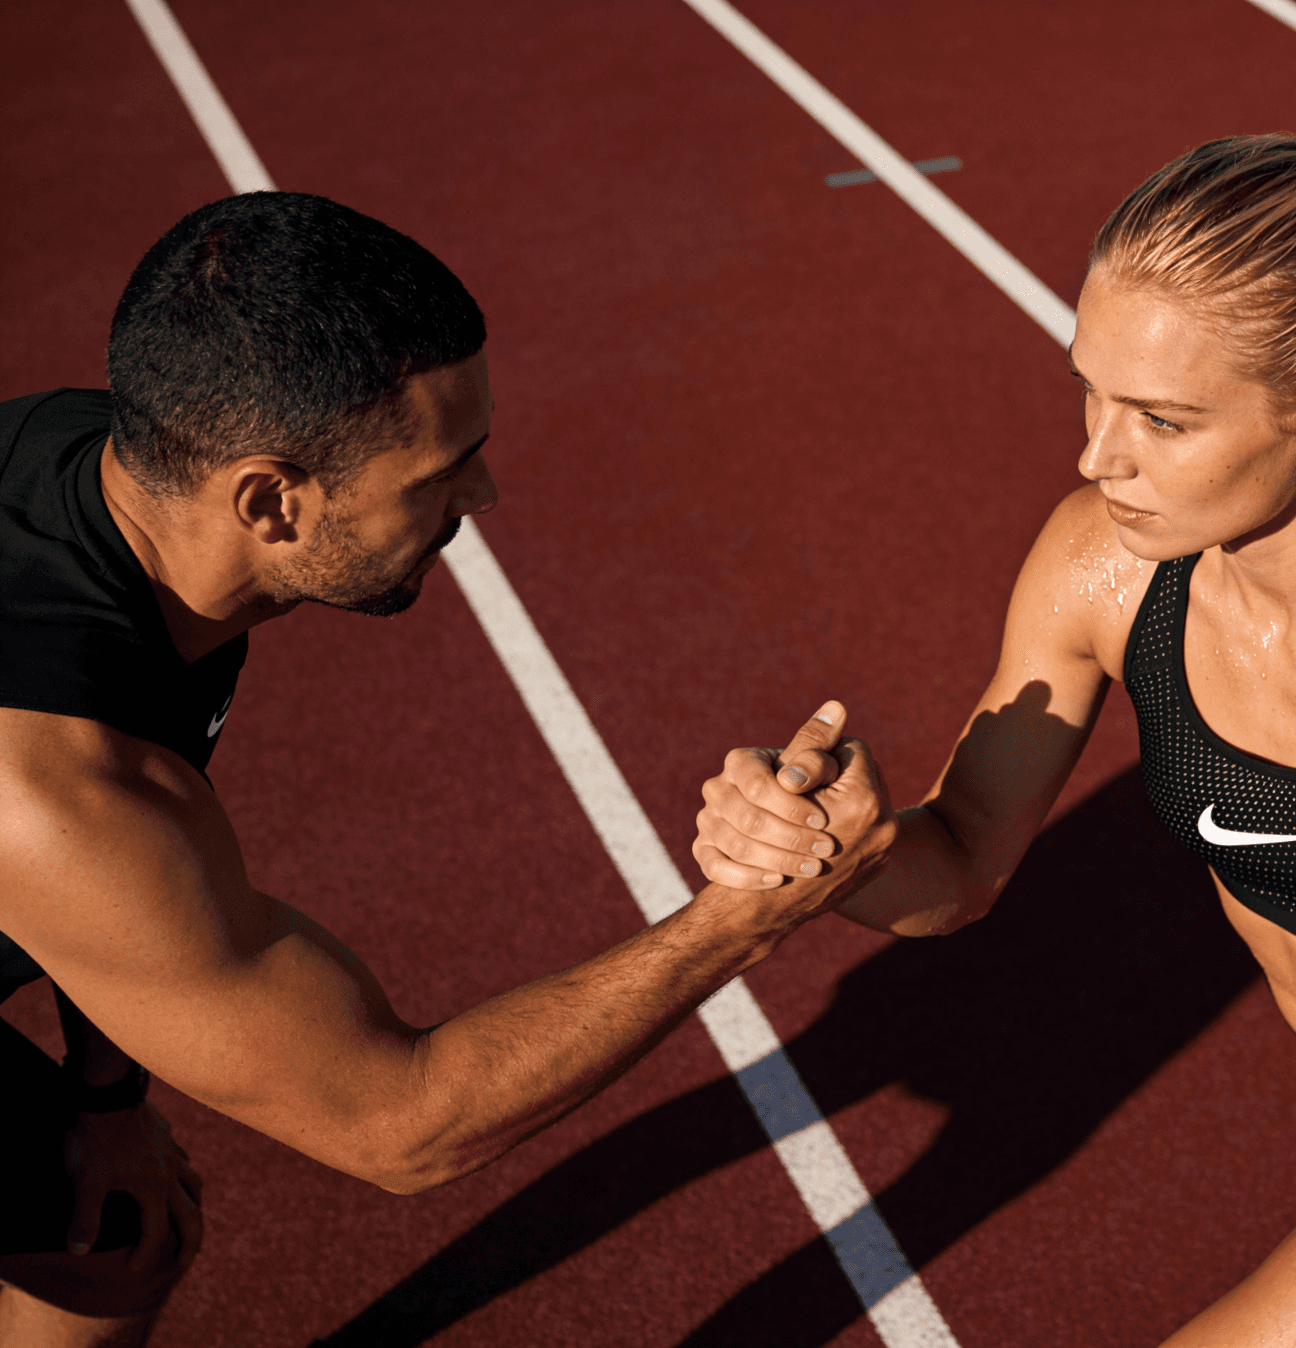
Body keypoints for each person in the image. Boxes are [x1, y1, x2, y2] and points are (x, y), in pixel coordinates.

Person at [0, 191, 893, 1348]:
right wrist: (741, 921)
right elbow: (399, 1120)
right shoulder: (60, 786)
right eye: (439, 476)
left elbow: (114, 884)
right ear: (270, 500)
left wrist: (107, 1098)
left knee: (116, 1229)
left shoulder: (98, 469)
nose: (482, 498)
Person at [693, 131, 1296, 1345]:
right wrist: (838, 849)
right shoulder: (1106, 574)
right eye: (1091, 388)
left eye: (1164, 422)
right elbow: (960, 863)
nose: (1096, 454)